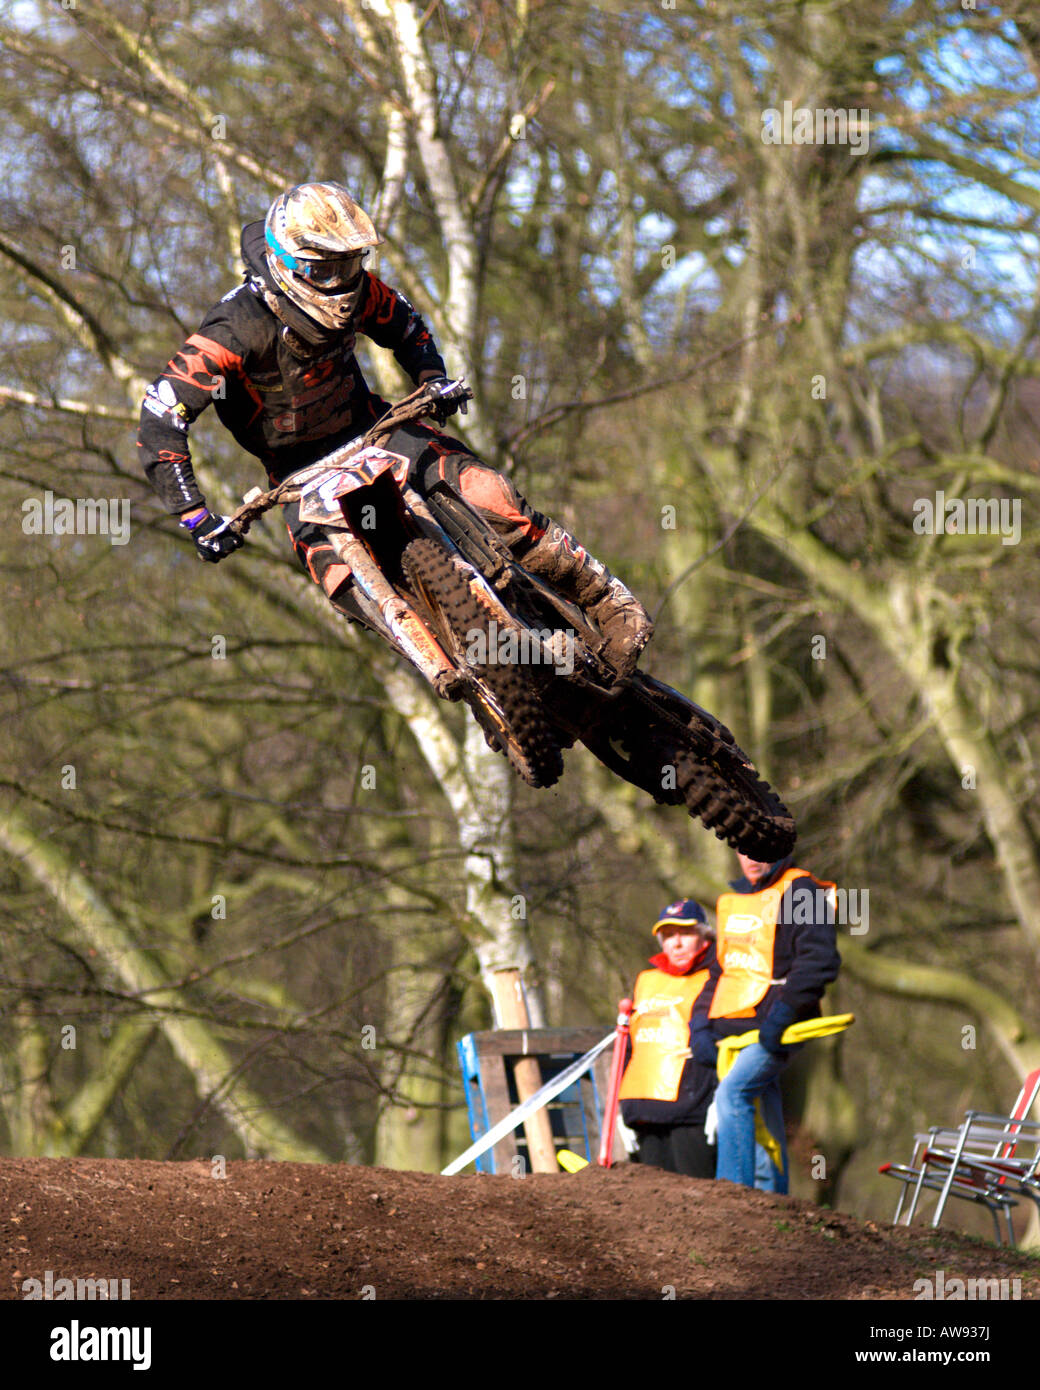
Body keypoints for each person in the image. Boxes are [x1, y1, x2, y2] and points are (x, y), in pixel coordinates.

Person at [137, 181, 651, 674]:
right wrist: (195, 517)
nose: (342, 279)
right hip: (294, 474)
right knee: (343, 583)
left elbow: (407, 326)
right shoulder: (234, 327)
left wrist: (433, 381)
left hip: (376, 428)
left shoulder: (361, 292)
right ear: (288, 262)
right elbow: (161, 417)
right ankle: (479, 687)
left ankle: (610, 602)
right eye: (327, 267)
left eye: (351, 262)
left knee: (488, 495)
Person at [690, 850, 840, 1193]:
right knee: (762, 1107)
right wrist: (699, 1025)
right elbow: (719, 971)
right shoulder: (735, 899)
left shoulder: (803, 891)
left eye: (760, 848)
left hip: (775, 1028)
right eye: (743, 848)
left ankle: (731, 1193)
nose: (751, 857)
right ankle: (772, 1202)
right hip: (730, 1030)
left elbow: (819, 961)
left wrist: (782, 1017)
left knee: (733, 1095)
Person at [618, 899, 718, 1178]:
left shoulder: (717, 978)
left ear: (705, 936)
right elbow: (628, 1045)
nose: (677, 943)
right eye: (669, 935)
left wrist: (722, 1095)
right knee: (655, 1205)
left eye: (685, 933)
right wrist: (619, 1106)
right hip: (643, 1108)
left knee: (697, 1196)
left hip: (692, 1110)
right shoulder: (645, 980)